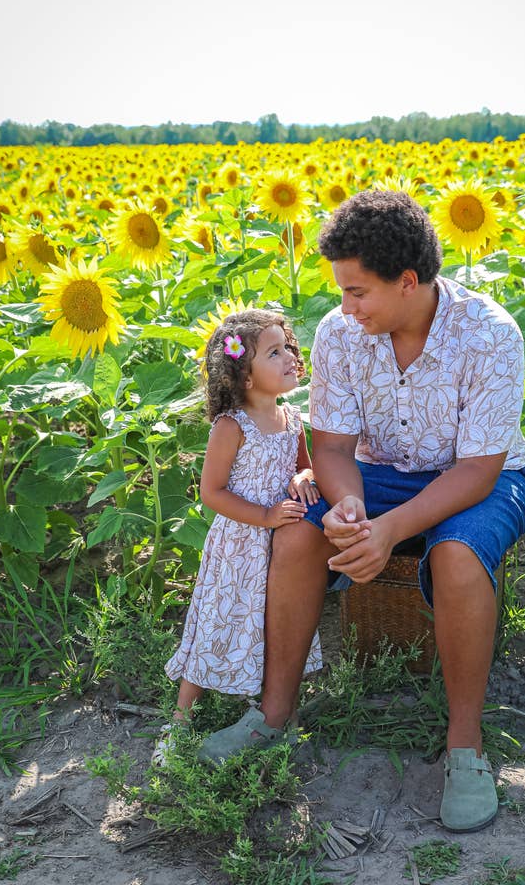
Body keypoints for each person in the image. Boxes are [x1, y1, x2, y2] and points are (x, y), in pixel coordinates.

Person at [199, 191, 525, 832]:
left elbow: (477, 469)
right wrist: (350, 505)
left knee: (458, 556)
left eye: (358, 292)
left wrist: (390, 530)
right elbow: (329, 445)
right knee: (299, 534)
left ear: (408, 282)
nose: (345, 307)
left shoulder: (490, 335)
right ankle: (274, 716)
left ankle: (465, 748)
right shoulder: (339, 334)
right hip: (376, 474)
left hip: (482, 479)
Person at [153, 308, 322, 766]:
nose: (289, 356)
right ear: (245, 377)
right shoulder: (232, 426)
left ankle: (274, 710)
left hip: (279, 541)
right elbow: (212, 492)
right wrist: (264, 515)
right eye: (274, 352)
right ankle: (181, 721)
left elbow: (304, 463)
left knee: (272, 623)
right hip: (239, 547)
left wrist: (302, 478)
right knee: (216, 624)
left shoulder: (291, 418)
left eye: (287, 346)